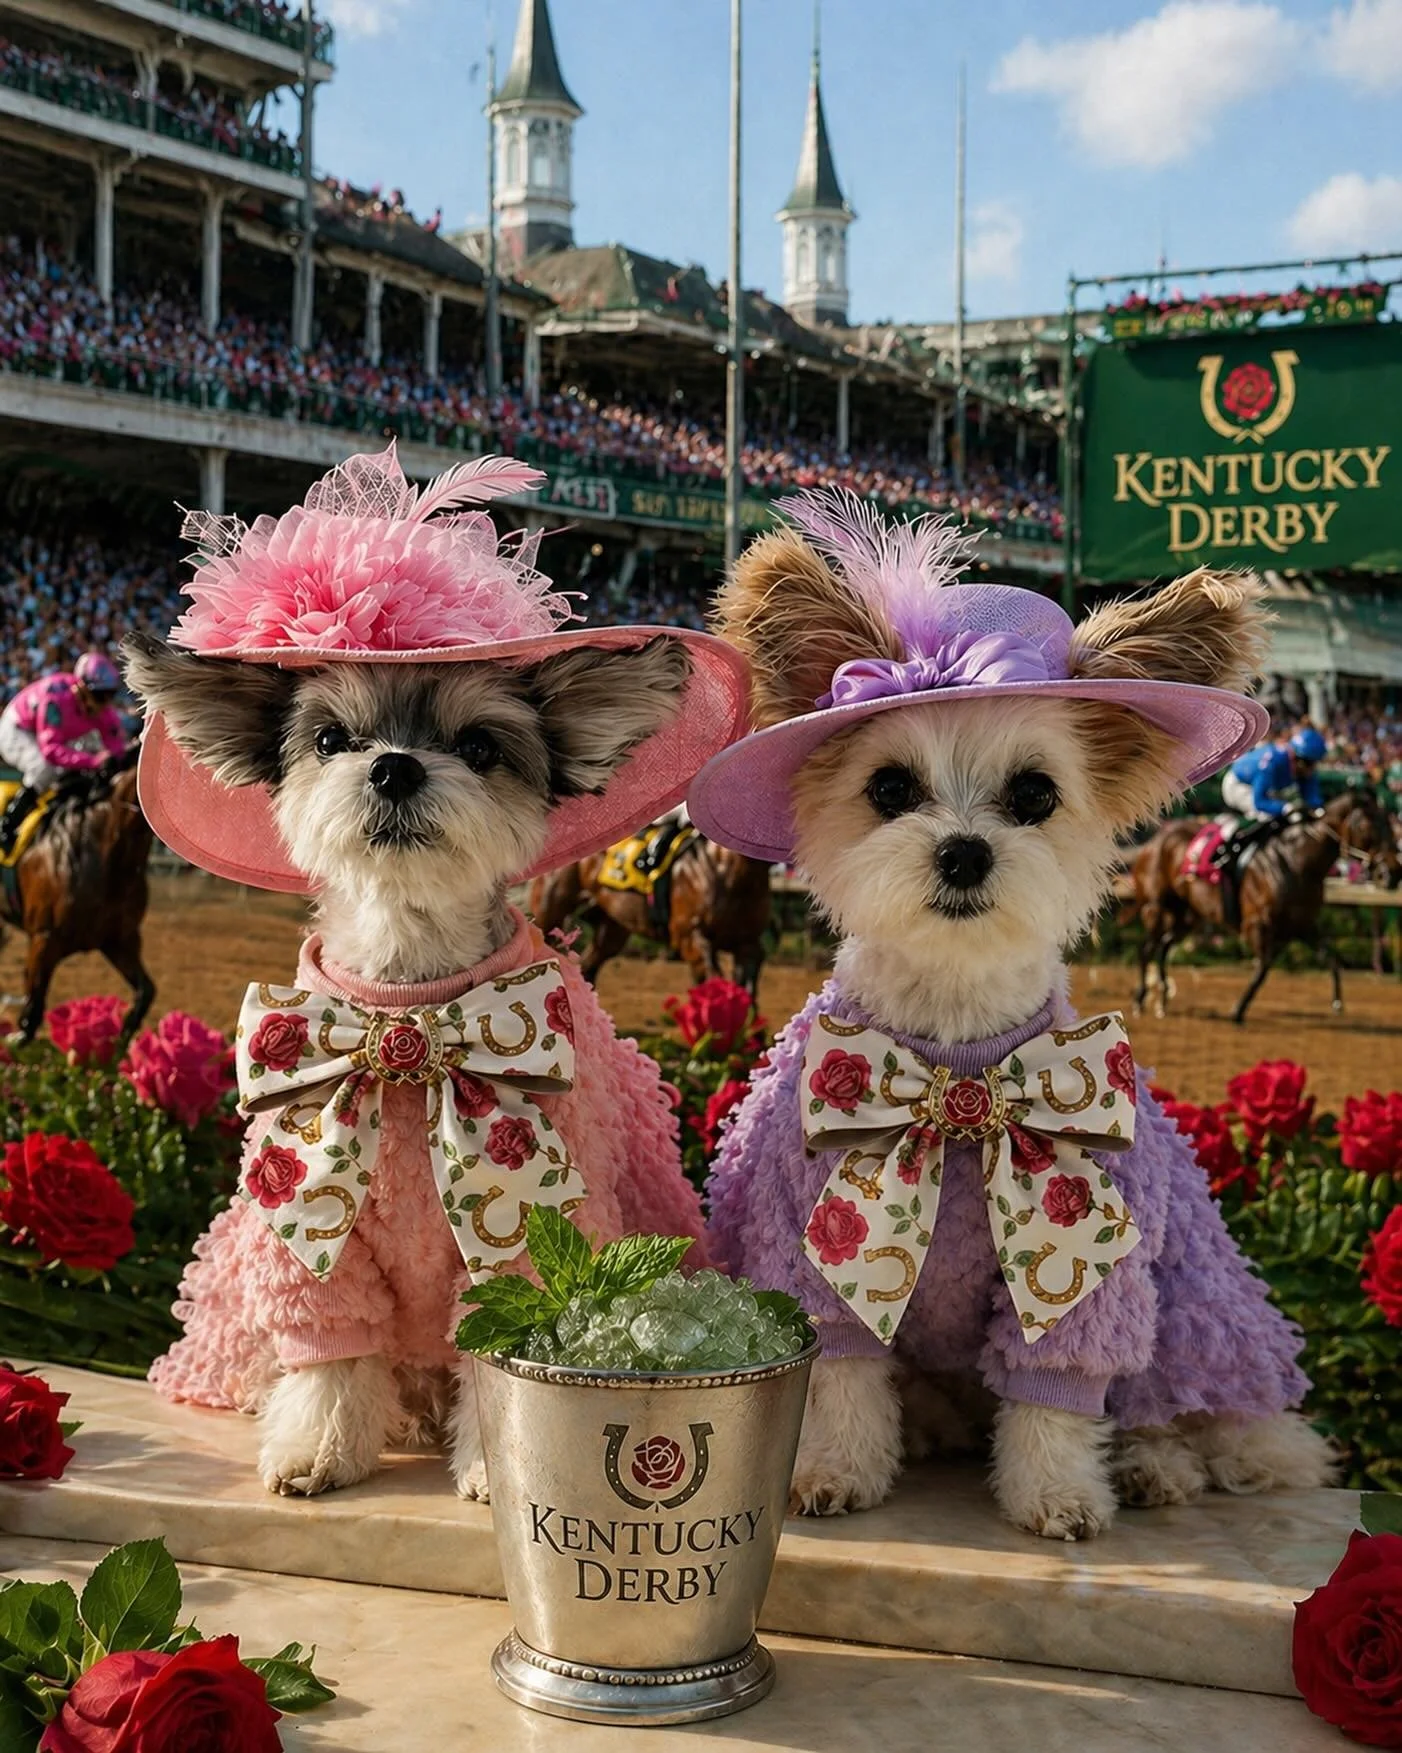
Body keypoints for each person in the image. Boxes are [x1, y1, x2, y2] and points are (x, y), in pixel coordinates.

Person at [0, 652, 127, 854]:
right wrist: (94, 761)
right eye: (100, 696)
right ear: (82, 687)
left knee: (92, 752)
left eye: (110, 695)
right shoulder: (55, 697)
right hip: (16, 728)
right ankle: (8, 824)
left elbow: (116, 748)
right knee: (43, 766)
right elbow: (51, 751)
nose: (105, 703)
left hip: (53, 735)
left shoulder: (101, 708)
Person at [1213, 724, 1327, 923]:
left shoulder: (1303, 767)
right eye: (1310, 764)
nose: (1312, 770)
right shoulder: (1273, 761)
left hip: (1265, 790)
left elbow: (1313, 800)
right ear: (1297, 758)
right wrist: (1286, 808)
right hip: (1239, 786)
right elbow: (1260, 802)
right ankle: (1233, 847)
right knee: (1268, 816)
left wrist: (1319, 812)